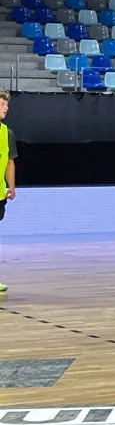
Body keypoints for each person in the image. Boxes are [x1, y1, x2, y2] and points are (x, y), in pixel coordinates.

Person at [0, 91, 14, 293]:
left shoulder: (6, 133)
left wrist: (12, 186)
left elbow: (10, 161)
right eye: (3, 105)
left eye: (6, 106)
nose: (6, 108)